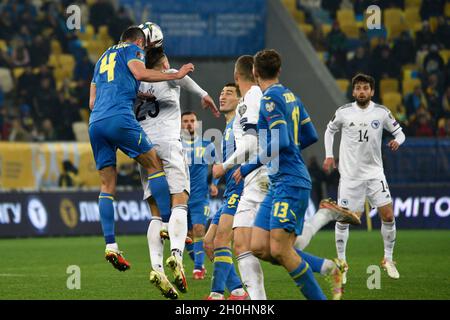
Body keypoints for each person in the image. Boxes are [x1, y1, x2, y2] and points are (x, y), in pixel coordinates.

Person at [234, 49, 344, 300]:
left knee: (282, 251)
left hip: (291, 182)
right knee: (260, 246)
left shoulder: (269, 100)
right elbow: (310, 135)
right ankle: (328, 266)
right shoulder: (291, 95)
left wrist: (248, 166)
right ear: (279, 71)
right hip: (279, 182)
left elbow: (282, 141)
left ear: (255, 72)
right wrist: (290, 151)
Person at [88, 26, 194, 272]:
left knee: (106, 186)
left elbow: (92, 101)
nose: (144, 50)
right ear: (138, 40)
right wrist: (175, 75)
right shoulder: (132, 49)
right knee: (153, 163)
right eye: (144, 45)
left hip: (96, 123)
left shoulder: (102, 57)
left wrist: (136, 96)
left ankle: (111, 245)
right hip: (119, 118)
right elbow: (139, 73)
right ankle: (167, 223)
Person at [135, 52, 219, 298]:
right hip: (169, 144)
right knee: (180, 200)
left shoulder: (137, 83)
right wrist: (204, 94)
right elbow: (183, 80)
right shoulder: (169, 75)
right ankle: (177, 256)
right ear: (162, 63)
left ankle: (156, 268)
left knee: (155, 213)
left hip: (145, 148)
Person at [323, 73, 406, 283]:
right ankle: (342, 263)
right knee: (344, 220)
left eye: (365, 88)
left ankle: (388, 259)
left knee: (388, 215)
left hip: (375, 174)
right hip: (350, 176)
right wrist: (329, 155)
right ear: (353, 92)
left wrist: (398, 141)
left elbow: (400, 133)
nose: (361, 91)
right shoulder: (343, 112)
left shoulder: (381, 112)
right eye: (358, 88)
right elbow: (329, 131)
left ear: (372, 91)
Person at [204, 83, 248, 300]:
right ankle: (238, 291)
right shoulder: (227, 128)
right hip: (229, 190)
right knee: (208, 242)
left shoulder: (240, 123)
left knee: (222, 240)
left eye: (229, 93)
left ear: (240, 100)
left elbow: (251, 147)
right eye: (221, 92)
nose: (222, 96)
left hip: (242, 189)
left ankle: (216, 294)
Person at [181, 111, 218, 280]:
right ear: (181, 124)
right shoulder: (176, 145)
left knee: (198, 229)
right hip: (180, 196)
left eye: (192, 121)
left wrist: (214, 184)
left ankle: (198, 267)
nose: (189, 124)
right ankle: (198, 260)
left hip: (200, 197)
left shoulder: (206, 145)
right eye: (185, 121)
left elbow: (217, 165)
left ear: (197, 124)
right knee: (186, 235)